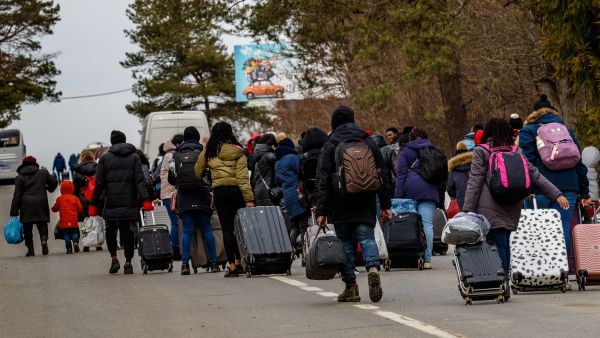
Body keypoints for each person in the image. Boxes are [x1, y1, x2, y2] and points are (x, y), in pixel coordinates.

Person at [463, 118, 568, 298]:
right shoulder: (516, 151)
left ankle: (499, 281)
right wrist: (557, 194)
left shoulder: (481, 151)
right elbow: (535, 176)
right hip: (512, 203)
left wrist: (467, 211)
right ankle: (500, 280)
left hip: (489, 205)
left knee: (496, 242)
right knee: (503, 241)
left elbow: (475, 181)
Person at [316, 106, 392, 303]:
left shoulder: (331, 143)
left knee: (346, 242)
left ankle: (351, 287)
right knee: (367, 237)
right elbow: (382, 174)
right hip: (366, 198)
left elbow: (323, 179)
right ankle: (373, 267)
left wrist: (321, 209)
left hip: (339, 201)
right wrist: (385, 205)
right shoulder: (367, 141)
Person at [519, 104, 590, 272]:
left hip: (541, 189)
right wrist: (584, 192)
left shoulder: (528, 130)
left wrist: (527, 189)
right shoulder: (566, 130)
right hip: (569, 187)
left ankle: (540, 270)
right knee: (563, 227)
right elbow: (579, 163)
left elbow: (526, 163)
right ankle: (563, 271)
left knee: (538, 229)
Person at [195, 121, 254, 278]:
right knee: (239, 229)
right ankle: (241, 261)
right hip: (237, 192)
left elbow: (197, 171)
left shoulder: (209, 151)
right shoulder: (238, 151)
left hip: (220, 192)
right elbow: (243, 178)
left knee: (227, 229)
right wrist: (249, 199)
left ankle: (232, 266)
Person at [89, 130, 153, 275]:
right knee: (128, 232)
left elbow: (99, 183)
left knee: (110, 231)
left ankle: (114, 258)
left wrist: (93, 204)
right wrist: (146, 199)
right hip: (129, 201)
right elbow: (139, 181)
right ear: (125, 140)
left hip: (111, 202)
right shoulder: (135, 157)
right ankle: (128, 262)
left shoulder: (105, 159)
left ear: (112, 142)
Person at [168, 126, 218, 275]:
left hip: (184, 196)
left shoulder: (176, 155)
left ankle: (185, 265)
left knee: (187, 231)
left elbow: (171, 179)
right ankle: (214, 263)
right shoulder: (203, 153)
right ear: (197, 138)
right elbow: (210, 174)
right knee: (207, 230)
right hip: (202, 195)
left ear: (184, 138)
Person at [395, 127, 443, 270]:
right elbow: (441, 176)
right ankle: (427, 259)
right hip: (430, 191)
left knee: (409, 223)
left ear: (410, 138)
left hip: (410, 190)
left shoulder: (405, 151)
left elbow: (401, 175)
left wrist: (398, 197)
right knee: (427, 225)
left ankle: (412, 255)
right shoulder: (434, 150)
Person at [10, 156, 58, 256]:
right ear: (35, 163)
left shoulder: (20, 177)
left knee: (27, 228)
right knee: (42, 223)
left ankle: (30, 250)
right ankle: (44, 238)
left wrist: (14, 211)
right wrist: (48, 188)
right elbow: (54, 182)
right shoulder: (43, 173)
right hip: (40, 202)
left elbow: (17, 195)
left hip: (26, 205)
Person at [275, 137, 309, 250]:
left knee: (295, 225)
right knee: (303, 225)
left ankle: (291, 248)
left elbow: (277, 181)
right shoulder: (293, 158)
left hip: (287, 195)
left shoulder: (277, 162)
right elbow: (301, 172)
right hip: (297, 194)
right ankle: (305, 249)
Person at [72, 150, 102, 252]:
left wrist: (75, 199)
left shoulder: (78, 172)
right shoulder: (98, 169)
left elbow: (75, 188)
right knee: (96, 220)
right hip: (96, 198)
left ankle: (87, 244)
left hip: (83, 199)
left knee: (86, 222)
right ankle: (98, 243)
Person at [160, 135, 184, 259]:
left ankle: (175, 248)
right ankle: (174, 250)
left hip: (169, 194)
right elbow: (176, 173)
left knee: (176, 223)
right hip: (170, 195)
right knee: (175, 223)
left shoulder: (170, 155)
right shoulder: (171, 156)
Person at [298, 127, 328, 208]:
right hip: (325, 190)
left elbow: (300, 176)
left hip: (309, 192)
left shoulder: (303, 157)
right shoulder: (325, 153)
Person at [51, 180, 83, 254]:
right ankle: (75, 242)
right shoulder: (75, 198)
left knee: (66, 234)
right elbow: (80, 208)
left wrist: (52, 209)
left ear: (61, 189)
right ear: (72, 188)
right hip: (73, 220)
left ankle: (68, 248)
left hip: (64, 222)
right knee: (74, 231)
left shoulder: (59, 199)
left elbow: (55, 208)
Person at [249, 134, 278, 206]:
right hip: (269, 192)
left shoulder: (257, 156)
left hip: (258, 191)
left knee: (264, 216)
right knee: (274, 216)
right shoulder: (269, 155)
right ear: (272, 145)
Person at [447, 141, 472, 210]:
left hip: (461, 202)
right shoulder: (475, 164)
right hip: (475, 201)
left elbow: (450, 189)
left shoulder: (453, 170)